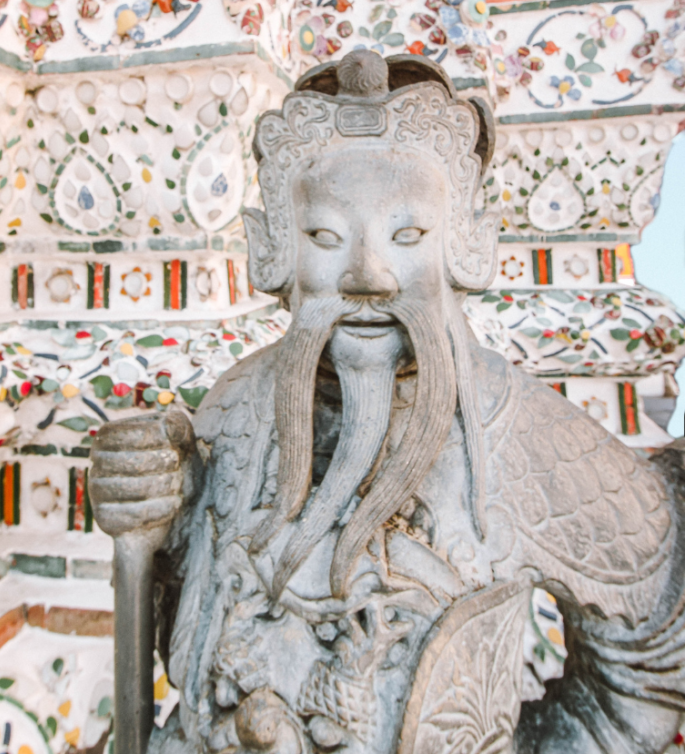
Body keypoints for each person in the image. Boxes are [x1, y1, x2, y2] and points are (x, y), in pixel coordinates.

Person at [91, 50, 685, 754]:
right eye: (324, 237)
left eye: (407, 237)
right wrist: (166, 507)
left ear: (464, 246)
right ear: (272, 250)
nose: (368, 276)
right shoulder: (237, 407)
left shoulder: (523, 434)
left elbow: (651, 655)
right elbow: (182, 611)